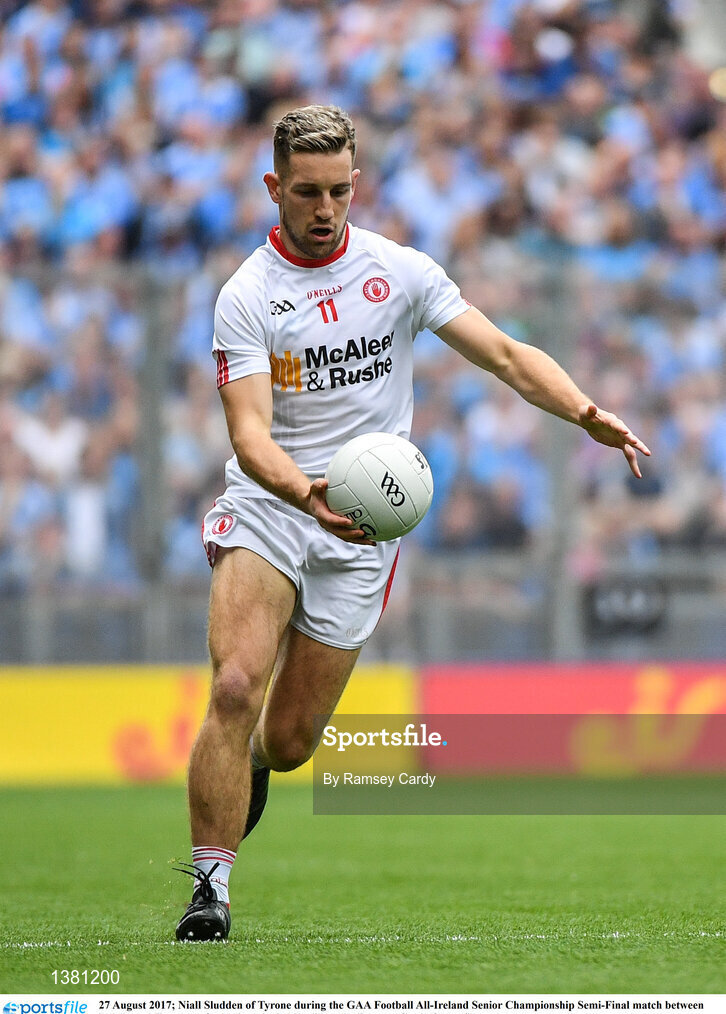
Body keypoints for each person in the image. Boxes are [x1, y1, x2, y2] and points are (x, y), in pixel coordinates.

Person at [174, 105, 650, 942]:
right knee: (236, 685)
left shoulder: (397, 271)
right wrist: (305, 493)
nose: (325, 209)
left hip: (364, 527)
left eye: (339, 191)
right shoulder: (246, 295)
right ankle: (210, 889)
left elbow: (506, 355)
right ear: (274, 187)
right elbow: (249, 437)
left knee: (289, 741)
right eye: (307, 192)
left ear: (356, 184)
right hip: (274, 508)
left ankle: (248, 763)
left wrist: (583, 410)